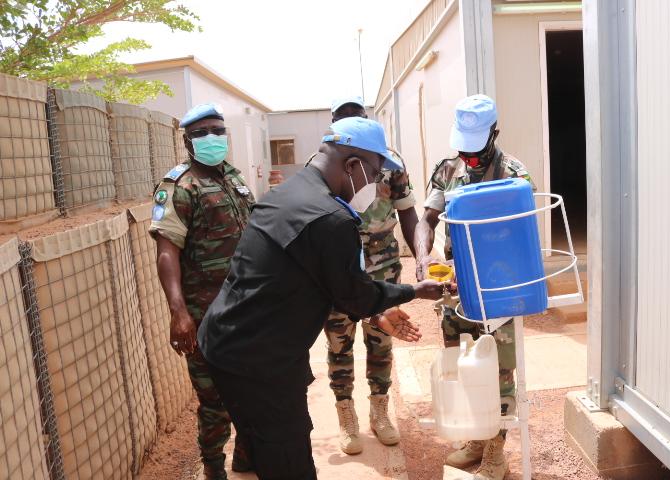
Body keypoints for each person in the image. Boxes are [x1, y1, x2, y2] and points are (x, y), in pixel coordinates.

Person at [197, 117, 448, 480]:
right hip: (260, 362)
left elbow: (317, 281)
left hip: (227, 341)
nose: (375, 183)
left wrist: (374, 312)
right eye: (374, 173)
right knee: (289, 458)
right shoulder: (331, 219)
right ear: (352, 165)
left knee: (259, 439)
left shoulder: (289, 193)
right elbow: (355, 296)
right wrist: (414, 291)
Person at [414, 95, 535, 480]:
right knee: (463, 363)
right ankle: (477, 439)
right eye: (462, 146)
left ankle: (497, 453)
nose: (467, 155)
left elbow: (524, 232)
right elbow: (426, 220)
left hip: (499, 289)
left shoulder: (513, 174)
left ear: (494, 133)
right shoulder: (448, 170)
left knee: (497, 370)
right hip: (457, 287)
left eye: (475, 147)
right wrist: (422, 256)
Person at [149, 103, 255, 480]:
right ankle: (213, 467)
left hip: (247, 307)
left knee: (252, 386)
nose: (212, 138)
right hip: (206, 314)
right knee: (215, 400)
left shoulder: (233, 176)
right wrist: (179, 312)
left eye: (218, 130)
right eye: (202, 133)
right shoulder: (179, 186)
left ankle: (247, 456)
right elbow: (166, 252)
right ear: (187, 141)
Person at [322, 96, 419, 454]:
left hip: (383, 267)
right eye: (342, 117)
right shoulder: (326, 164)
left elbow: (408, 212)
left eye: (357, 116)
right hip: (340, 266)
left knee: (381, 339)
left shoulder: (388, 162)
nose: (350, 122)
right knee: (339, 342)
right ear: (333, 124)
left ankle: (380, 411)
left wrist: (420, 256)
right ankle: (346, 414)